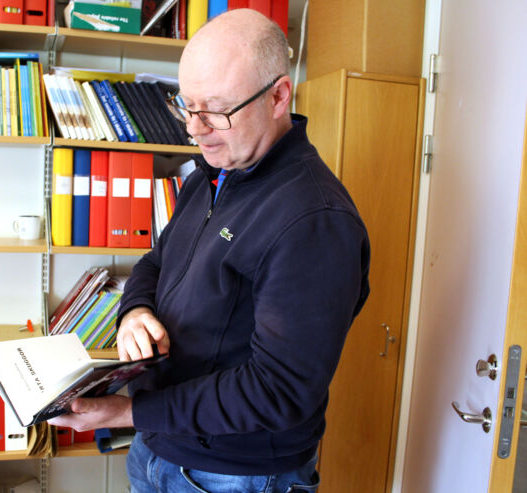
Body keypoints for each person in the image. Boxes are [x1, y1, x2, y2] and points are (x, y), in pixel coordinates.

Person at [49, 8, 370, 492]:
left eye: (216, 109)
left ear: (279, 96)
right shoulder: (214, 172)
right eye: (186, 106)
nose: (195, 129)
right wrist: (135, 311)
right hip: (160, 449)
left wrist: (128, 411)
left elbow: (278, 391)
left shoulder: (314, 220)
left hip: (236, 473)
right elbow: (157, 262)